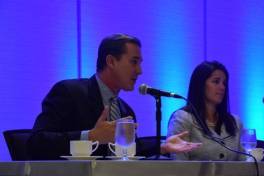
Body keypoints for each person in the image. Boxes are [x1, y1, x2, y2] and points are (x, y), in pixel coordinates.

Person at [28, 33, 200, 160]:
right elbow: (36, 143)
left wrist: (163, 147)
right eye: (134, 62)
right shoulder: (69, 92)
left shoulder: (125, 110)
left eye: (140, 64)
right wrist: (90, 137)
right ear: (111, 61)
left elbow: (126, 151)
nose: (139, 71)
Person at [167, 61, 245, 160]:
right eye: (216, 81)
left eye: (224, 83)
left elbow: (244, 164)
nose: (222, 87)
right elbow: (178, 165)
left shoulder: (235, 122)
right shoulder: (182, 118)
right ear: (200, 84)